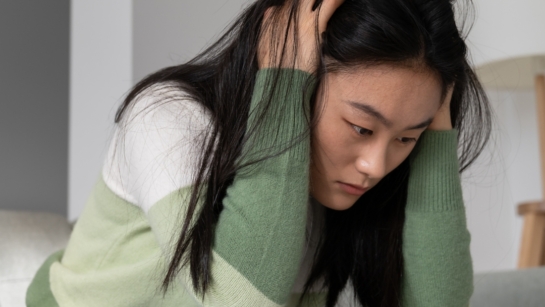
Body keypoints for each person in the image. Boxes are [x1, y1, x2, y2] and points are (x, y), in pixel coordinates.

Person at [27, 0, 491, 306]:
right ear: (297, 70)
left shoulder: (333, 183)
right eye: (360, 127)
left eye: (406, 139)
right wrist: (282, 94)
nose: (375, 166)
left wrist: (434, 132)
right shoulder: (168, 119)